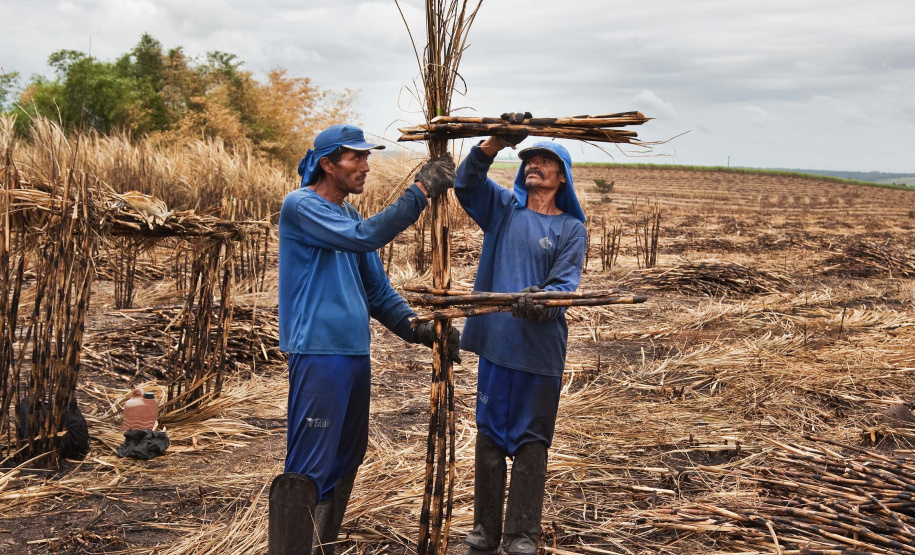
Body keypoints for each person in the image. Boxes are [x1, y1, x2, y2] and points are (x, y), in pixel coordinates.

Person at [269, 124, 461, 555]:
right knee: (310, 463)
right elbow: (366, 237)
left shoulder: (350, 216)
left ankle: (322, 546)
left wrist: (417, 329)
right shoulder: (302, 206)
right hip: (318, 352)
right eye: (356, 157)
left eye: (367, 157)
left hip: (354, 354)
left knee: (346, 456)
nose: (366, 166)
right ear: (327, 163)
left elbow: (376, 292)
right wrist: (420, 191)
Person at [454, 123, 588, 555]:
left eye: (546, 162)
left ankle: (522, 535)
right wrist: (494, 143)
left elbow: (563, 285)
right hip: (497, 346)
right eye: (530, 160)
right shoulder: (503, 211)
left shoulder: (571, 229)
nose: (535, 166)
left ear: (562, 177)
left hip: (539, 352)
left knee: (532, 441)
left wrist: (542, 302)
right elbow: (466, 184)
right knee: (489, 436)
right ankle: (485, 531)